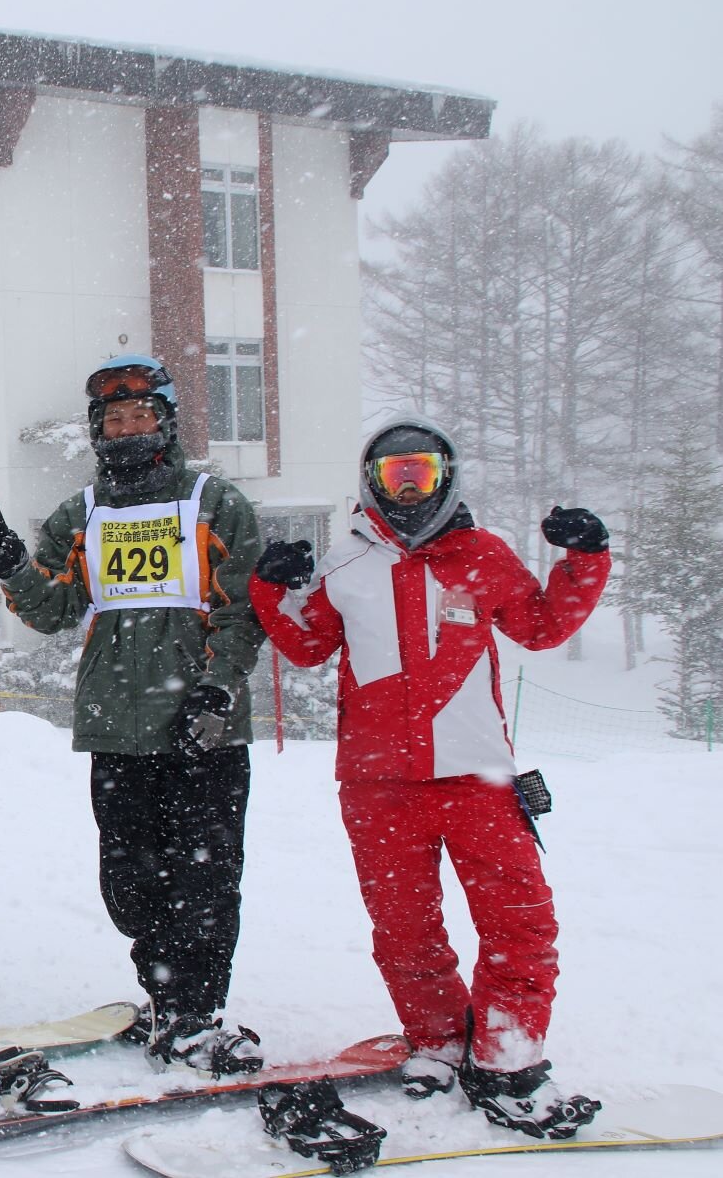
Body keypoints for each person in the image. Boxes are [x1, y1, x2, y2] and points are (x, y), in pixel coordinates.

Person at [248, 417, 608, 1139]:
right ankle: (438, 1041)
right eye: (392, 474)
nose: (407, 487)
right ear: (368, 482)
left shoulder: (482, 555)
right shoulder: (346, 563)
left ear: (446, 475)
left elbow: (539, 627)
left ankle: (507, 1058)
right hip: (377, 784)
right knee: (405, 927)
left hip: (478, 775)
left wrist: (583, 557)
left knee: (517, 923)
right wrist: (271, 589)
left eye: (420, 471)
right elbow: (309, 646)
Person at [0, 354, 266, 1075]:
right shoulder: (82, 514)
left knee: (202, 877)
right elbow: (50, 609)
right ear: (97, 433)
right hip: (116, 725)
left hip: (201, 727)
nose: (127, 428)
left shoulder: (212, 502)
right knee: (131, 881)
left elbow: (243, 607)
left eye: (140, 417)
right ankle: (164, 994)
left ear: (163, 425)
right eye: (113, 420)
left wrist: (216, 684)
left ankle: (194, 1011)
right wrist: (12, 564)